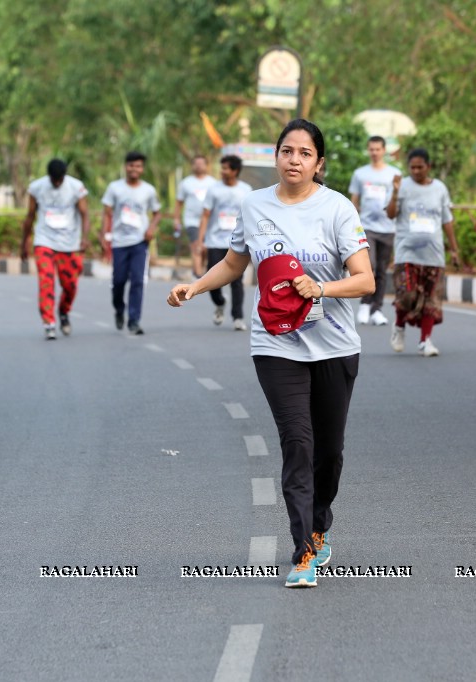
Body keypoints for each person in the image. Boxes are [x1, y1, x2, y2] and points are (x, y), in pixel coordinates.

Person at [168, 119, 374, 588]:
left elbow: (366, 279)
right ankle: (303, 550)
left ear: (319, 163)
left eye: (305, 153)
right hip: (275, 343)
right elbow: (234, 262)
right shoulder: (255, 205)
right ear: (277, 157)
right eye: (287, 151)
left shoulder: (337, 209)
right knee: (297, 444)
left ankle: (320, 525)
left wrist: (320, 286)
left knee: (330, 452)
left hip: (335, 346)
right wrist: (195, 286)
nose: (294, 160)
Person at [385, 148, 459, 356]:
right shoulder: (402, 186)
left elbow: (447, 220)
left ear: (429, 166)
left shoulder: (439, 189)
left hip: (433, 253)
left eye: (420, 167)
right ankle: (399, 326)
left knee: (431, 299)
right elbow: (391, 215)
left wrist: (454, 249)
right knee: (406, 294)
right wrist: (395, 192)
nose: (416, 171)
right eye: (412, 167)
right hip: (406, 252)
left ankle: (425, 340)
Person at [20, 159, 89, 340]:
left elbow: (84, 214)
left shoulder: (76, 187)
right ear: (48, 176)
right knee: (46, 281)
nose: (57, 183)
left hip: (70, 243)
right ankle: (48, 322)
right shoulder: (37, 187)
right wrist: (23, 243)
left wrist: (85, 239)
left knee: (70, 285)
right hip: (45, 241)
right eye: (54, 180)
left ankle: (63, 311)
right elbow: (30, 216)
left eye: (60, 179)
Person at [102, 151, 161, 335]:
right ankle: (119, 309)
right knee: (118, 281)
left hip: (139, 242)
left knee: (137, 281)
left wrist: (151, 228)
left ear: (142, 169)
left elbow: (157, 212)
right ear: (125, 167)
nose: (133, 169)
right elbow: (107, 212)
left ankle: (134, 320)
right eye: (130, 165)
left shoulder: (148, 190)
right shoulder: (114, 188)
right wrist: (105, 235)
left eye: (137, 166)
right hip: (119, 241)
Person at [349, 136, 401, 326]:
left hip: (388, 228)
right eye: (371, 149)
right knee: (368, 266)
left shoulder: (394, 173)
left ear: (384, 150)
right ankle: (364, 304)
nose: (374, 152)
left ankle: (376, 309)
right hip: (366, 228)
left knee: (381, 270)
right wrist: (354, 225)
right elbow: (354, 200)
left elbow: (398, 199)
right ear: (368, 150)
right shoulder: (360, 173)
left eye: (378, 149)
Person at [196, 155, 252, 330]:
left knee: (237, 280)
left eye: (226, 168)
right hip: (214, 241)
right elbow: (205, 215)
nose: (222, 171)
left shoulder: (246, 190)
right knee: (211, 277)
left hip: (237, 241)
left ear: (235, 171)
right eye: (222, 168)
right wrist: (201, 240)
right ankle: (220, 302)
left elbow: (250, 216)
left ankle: (237, 317)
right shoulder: (213, 190)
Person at [175, 155, 215, 277]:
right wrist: (176, 219)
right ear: (192, 166)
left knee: (204, 248)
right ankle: (198, 274)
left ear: (206, 166)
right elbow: (179, 202)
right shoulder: (186, 183)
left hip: (209, 220)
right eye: (196, 163)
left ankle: (199, 270)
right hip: (191, 220)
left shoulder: (213, 183)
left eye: (201, 163)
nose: (198, 166)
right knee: (195, 244)